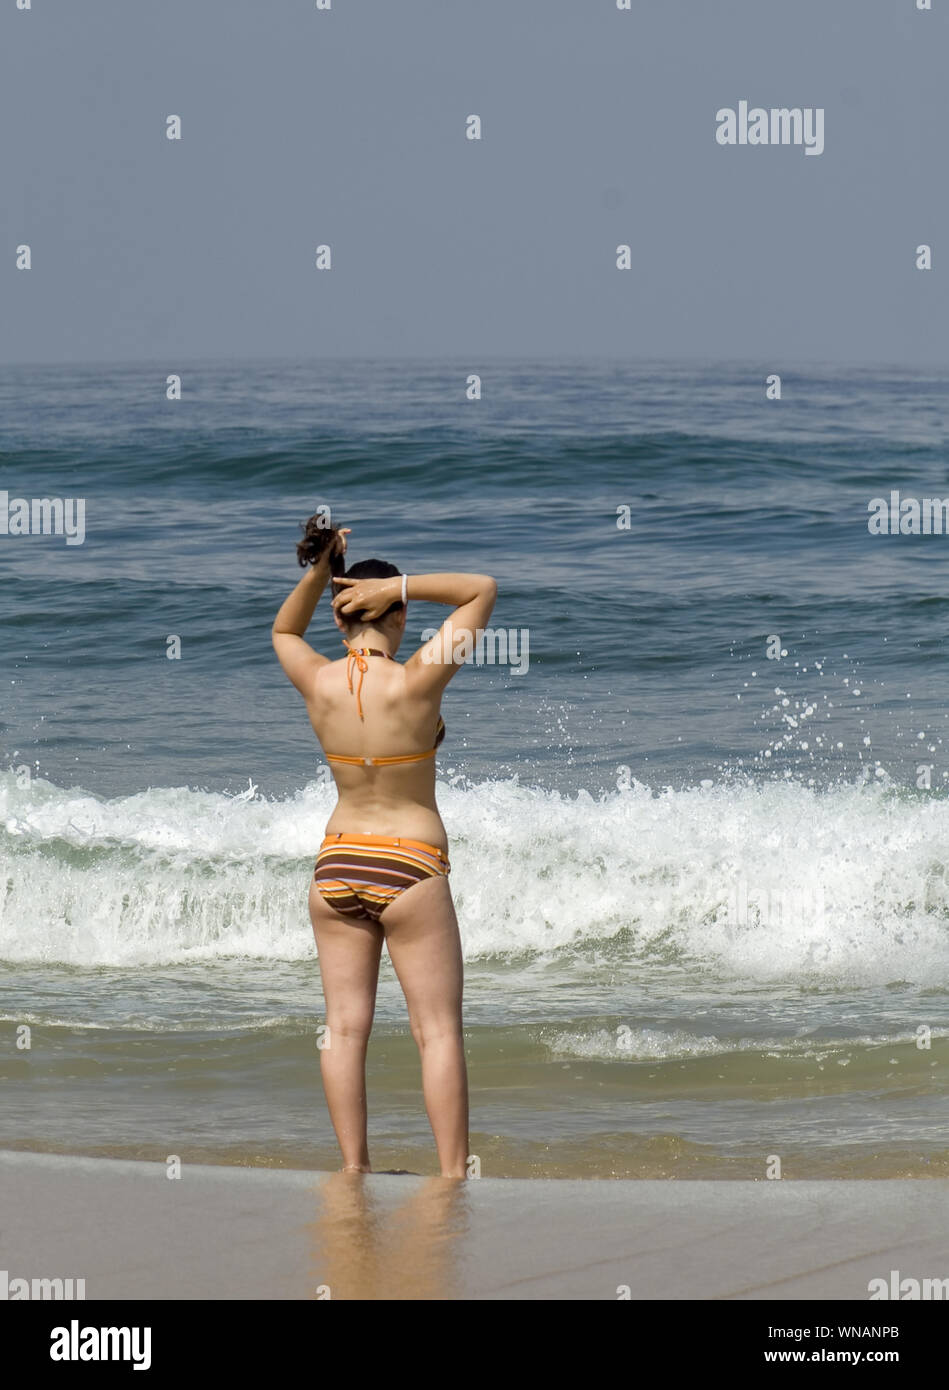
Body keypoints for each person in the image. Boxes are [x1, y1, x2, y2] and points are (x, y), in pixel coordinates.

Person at [272, 516, 497, 1178]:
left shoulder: (316, 680)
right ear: (395, 615)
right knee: (436, 1033)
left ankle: (352, 1170)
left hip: (336, 864)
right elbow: (480, 589)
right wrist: (399, 584)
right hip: (409, 866)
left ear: (339, 621)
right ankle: (453, 1174)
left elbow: (284, 629)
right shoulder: (417, 680)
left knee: (344, 1031)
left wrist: (321, 572)